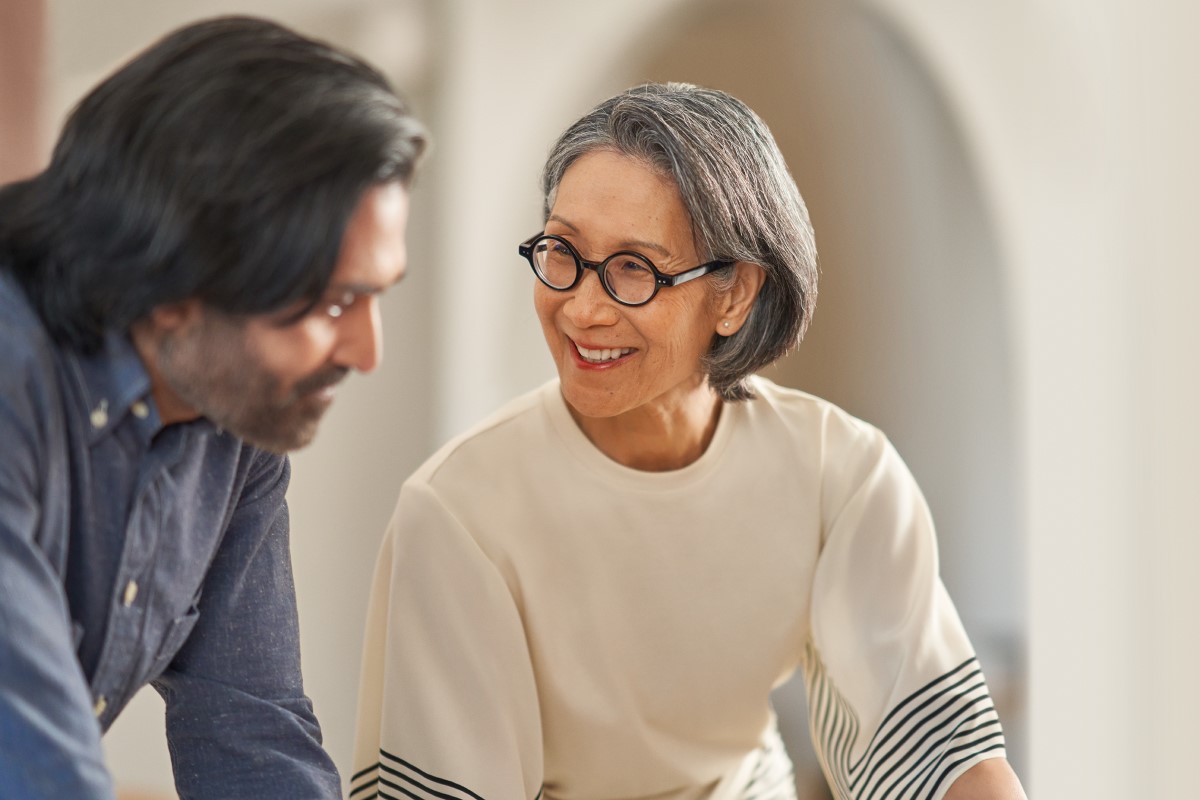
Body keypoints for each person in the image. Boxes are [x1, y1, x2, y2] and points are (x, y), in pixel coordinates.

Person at [350, 82, 1025, 800]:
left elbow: (947, 761)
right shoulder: (458, 512)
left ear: (734, 294)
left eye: (633, 269)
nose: (581, 307)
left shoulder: (840, 476)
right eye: (562, 251)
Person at [0, 16, 426, 798]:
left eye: (377, 297)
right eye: (336, 303)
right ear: (171, 289)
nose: (369, 353)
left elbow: (254, 741)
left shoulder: (233, 428)